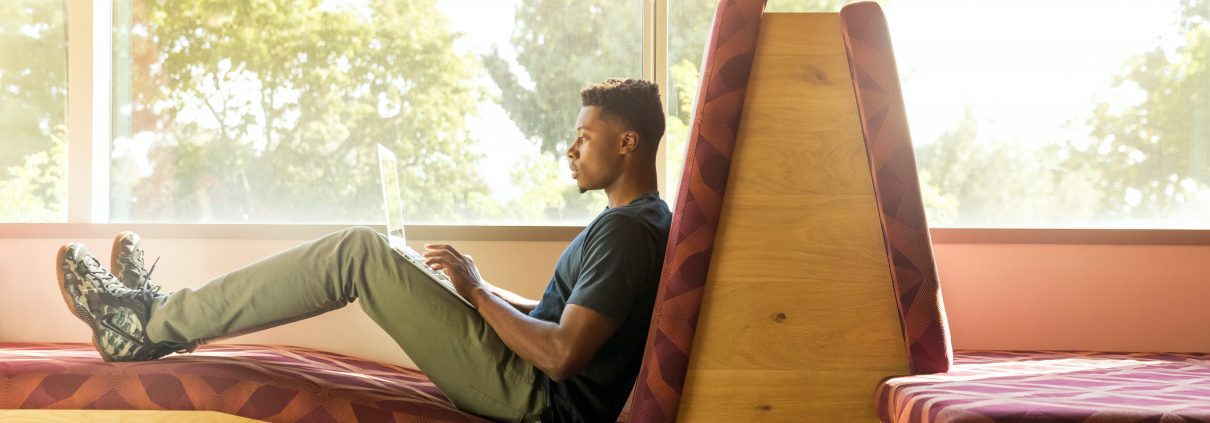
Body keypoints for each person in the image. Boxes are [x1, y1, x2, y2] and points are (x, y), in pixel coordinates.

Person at [54, 78, 671, 422]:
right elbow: (561, 320)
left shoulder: (624, 232)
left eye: (584, 137)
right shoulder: (636, 223)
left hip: (538, 399)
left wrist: (478, 293)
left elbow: (561, 355)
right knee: (372, 254)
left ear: (628, 142)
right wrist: (469, 284)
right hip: (529, 378)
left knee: (355, 252)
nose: (570, 149)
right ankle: (157, 316)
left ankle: (150, 322)